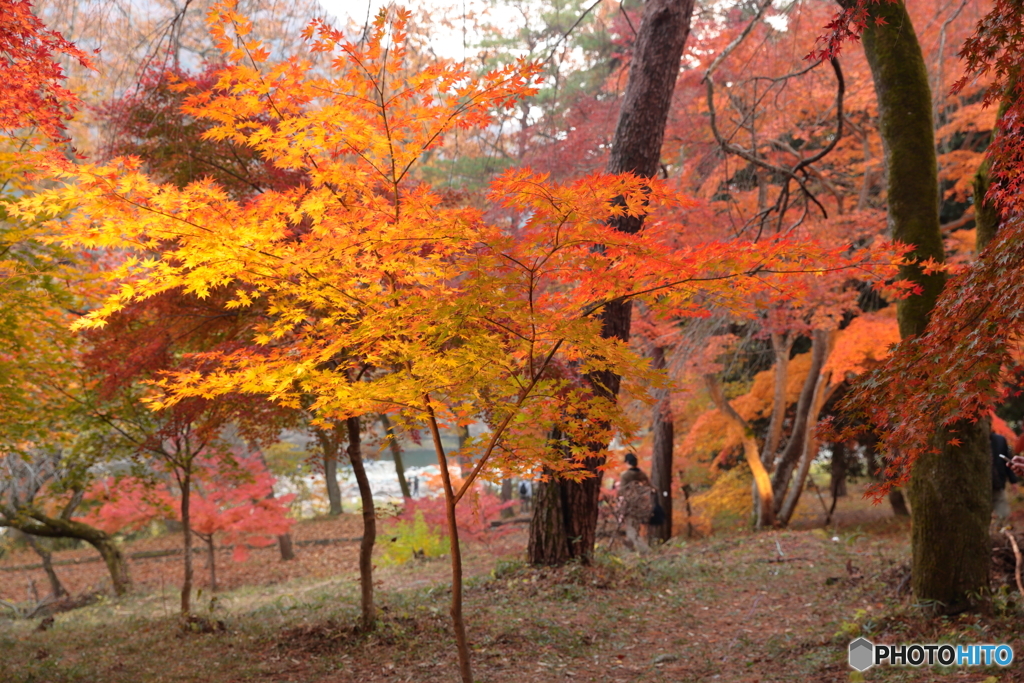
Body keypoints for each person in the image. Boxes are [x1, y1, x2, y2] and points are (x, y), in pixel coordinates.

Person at [617, 453, 653, 552]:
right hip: (642, 504)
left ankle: (646, 550)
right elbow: (649, 487)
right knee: (634, 527)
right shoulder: (642, 474)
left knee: (632, 529)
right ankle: (629, 552)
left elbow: (622, 492)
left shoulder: (625, 475)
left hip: (630, 504)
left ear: (627, 462)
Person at [993, 432, 1018, 525]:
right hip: (979, 485)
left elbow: (1008, 461)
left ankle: (1001, 530)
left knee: (1003, 512)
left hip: (998, 482)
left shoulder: (1000, 440)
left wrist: (1013, 481)